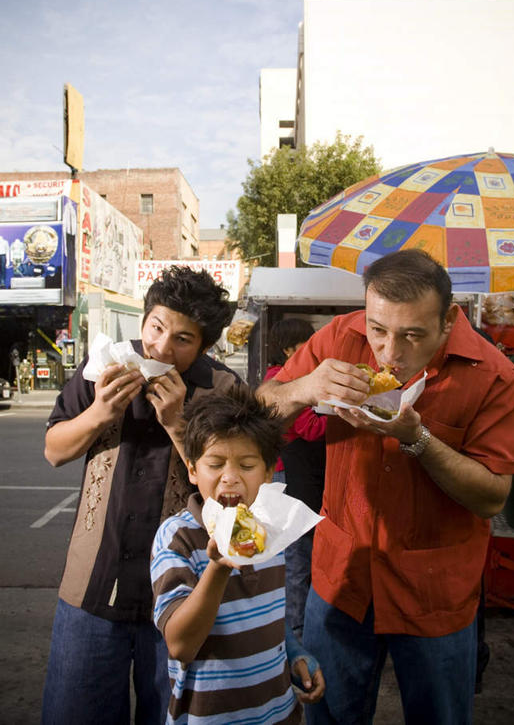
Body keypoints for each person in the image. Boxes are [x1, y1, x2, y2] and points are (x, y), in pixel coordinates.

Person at [258, 249, 514, 725]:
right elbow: (260, 409)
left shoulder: (493, 375)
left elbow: (492, 495)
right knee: (327, 714)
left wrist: (417, 439)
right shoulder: (341, 336)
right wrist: (303, 387)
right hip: (342, 580)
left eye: (412, 335)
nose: (389, 352)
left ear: (449, 321)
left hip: (433, 595)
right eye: (378, 330)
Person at [41, 266, 241, 725]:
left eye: (183, 340)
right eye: (156, 327)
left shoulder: (224, 389)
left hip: (180, 599)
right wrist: (99, 412)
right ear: (144, 320)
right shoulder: (104, 368)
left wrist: (178, 422)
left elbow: (232, 491)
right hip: (90, 591)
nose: (161, 348)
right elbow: (54, 450)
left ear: (205, 346)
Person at [151, 386, 325, 724]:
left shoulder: (271, 531)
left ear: (269, 470)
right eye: (215, 464)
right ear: (192, 469)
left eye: (246, 465)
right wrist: (217, 567)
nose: (230, 478)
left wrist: (295, 654)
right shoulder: (178, 538)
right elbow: (181, 645)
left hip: (280, 714)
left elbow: (268, 615)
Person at [265, 318, 327, 638]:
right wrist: (351, 412)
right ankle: (295, 632)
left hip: (296, 475)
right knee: (295, 557)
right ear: (289, 349)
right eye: (308, 343)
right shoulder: (281, 381)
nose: (314, 349)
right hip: (287, 477)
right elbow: (311, 427)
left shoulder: (291, 377)